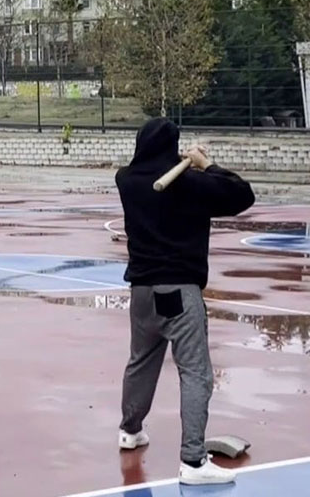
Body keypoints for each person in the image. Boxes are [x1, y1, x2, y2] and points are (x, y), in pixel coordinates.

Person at [114, 117, 255, 486]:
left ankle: (130, 430)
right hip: (178, 292)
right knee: (196, 373)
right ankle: (193, 461)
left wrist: (188, 167)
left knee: (141, 362)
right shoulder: (188, 183)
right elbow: (242, 194)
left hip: (142, 293)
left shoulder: (126, 179)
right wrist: (207, 165)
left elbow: (150, 170)